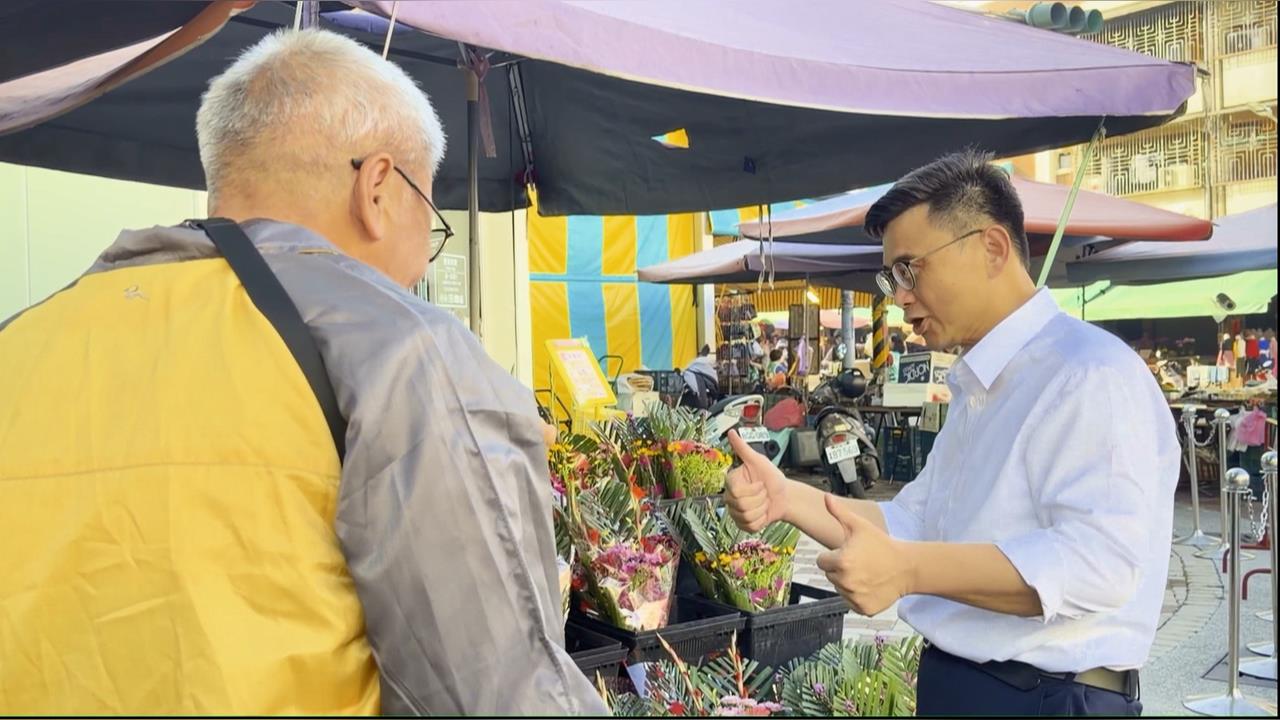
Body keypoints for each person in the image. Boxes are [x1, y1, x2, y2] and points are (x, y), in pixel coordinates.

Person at [0, 30, 605, 716]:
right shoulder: (403, 351)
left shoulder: (27, 337)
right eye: (430, 222)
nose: (425, 264)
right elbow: (497, 692)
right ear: (377, 186)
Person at [722, 150, 1177, 717]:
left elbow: (1096, 564)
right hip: (970, 683)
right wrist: (788, 498)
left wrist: (910, 570)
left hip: (1050, 695)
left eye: (910, 269)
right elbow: (914, 522)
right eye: (891, 277)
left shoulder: (1087, 374)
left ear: (991, 248)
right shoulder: (982, 388)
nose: (900, 295)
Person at [681, 344, 721, 409]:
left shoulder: (697, 361)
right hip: (696, 394)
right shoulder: (708, 366)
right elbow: (714, 389)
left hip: (687, 382)